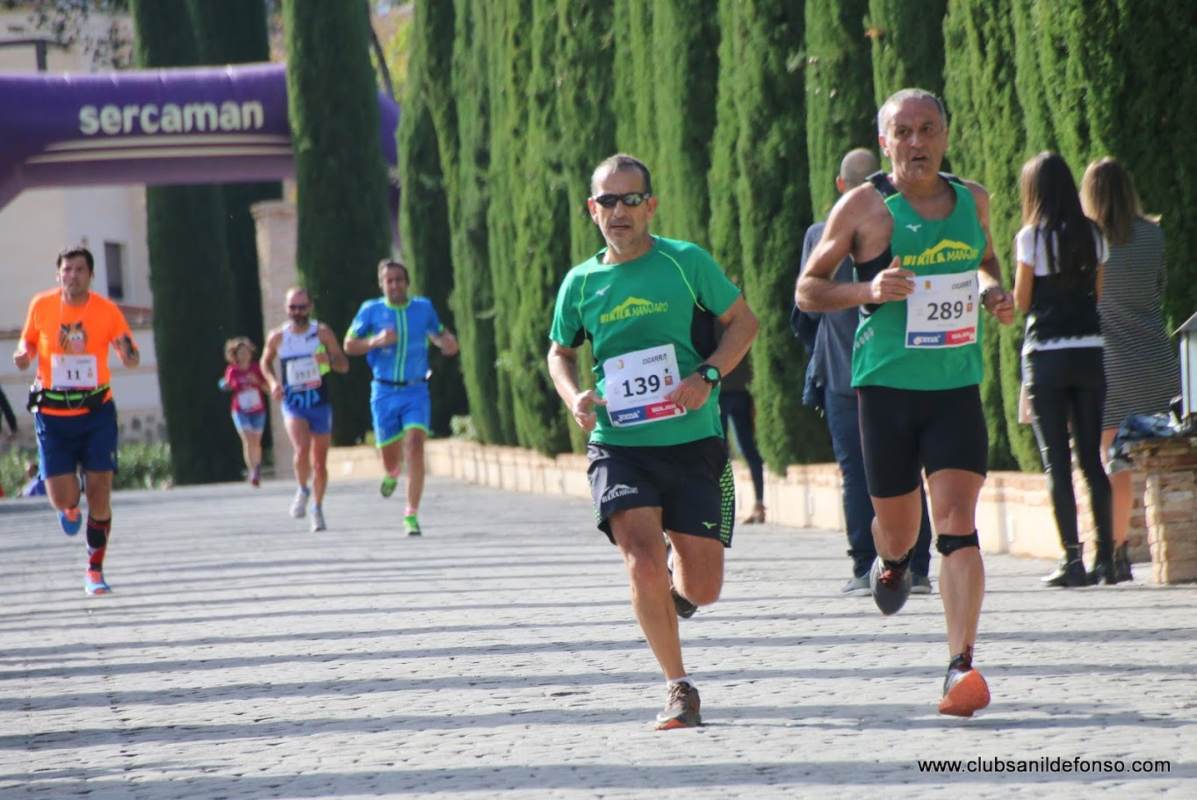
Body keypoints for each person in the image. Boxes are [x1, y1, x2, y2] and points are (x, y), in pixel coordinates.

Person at [796, 89, 1015, 717]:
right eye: (903, 132)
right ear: (885, 141)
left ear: (945, 134)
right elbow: (808, 290)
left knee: (956, 523)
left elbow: (986, 260)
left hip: (953, 385)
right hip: (886, 387)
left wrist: (993, 289)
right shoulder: (864, 207)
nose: (916, 142)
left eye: (928, 129)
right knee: (900, 529)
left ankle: (960, 667)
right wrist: (868, 287)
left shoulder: (973, 199)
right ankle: (890, 563)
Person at [547, 154, 758, 730]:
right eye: (607, 201)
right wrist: (573, 396)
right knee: (641, 561)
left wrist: (707, 376)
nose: (619, 211)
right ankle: (678, 687)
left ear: (650, 206)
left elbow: (744, 322)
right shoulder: (581, 283)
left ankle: (678, 595)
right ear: (592, 210)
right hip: (620, 444)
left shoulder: (686, 263)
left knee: (705, 588)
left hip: (692, 442)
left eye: (630, 200)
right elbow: (560, 351)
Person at [796, 147, 935, 597]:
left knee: (857, 473)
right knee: (909, 471)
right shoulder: (901, 226)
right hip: (899, 367)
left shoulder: (821, 233)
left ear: (841, 187)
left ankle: (863, 567)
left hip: (843, 372)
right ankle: (918, 566)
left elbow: (804, 311)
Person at [12, 245, 140, 595]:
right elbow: (29, 341)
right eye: (66, 270)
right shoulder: (41, 305)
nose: (72, 275)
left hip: (96, 411)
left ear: (91, 275)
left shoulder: (105, 310)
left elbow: (127, 351)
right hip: (53, 416)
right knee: (64, 499)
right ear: (58, 274)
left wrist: (129, 352)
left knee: (100, 493)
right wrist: (24, 355)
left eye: (79, 270)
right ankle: (68, 507)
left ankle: (94, 569)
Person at [1012, 152, 1114, 587]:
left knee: (1058, 461)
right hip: (1089, 351)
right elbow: (1098, 292)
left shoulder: (1030, 238)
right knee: (1093, 460)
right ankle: (1107, 559)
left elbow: (1021, 301)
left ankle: (1072, 559)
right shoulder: (1093, 234)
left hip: (1047, 356)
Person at [1081, 157, 1180, 584]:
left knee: (1112, 461)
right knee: (1167, 456)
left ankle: (1115, 551)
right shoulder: (1153, 234)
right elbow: (1158, 290)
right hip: (1157, 359)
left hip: (1109, 362)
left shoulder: (1088, 240)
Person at [343, 259, 459, 536]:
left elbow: (439, 334)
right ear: (381, 284)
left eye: (399, 279)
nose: (394, 285)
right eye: (389, 280)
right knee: (390, 458)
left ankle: (411, 513)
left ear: (407, 282)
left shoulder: (423, 308)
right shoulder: (370, 311)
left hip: (415, 390)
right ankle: (392, 472)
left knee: (416, 444)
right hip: (383, 391)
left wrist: (448, 343)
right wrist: (375, 341)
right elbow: (349, 344)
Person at [260, 287, 349, 532]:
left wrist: (328, 361)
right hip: (293, 403)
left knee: (319, 464)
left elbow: (343, 365)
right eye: (292, 307)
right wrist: (273, 382)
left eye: (301, 307)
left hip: (319, 403)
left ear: (310, 307)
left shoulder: (322, 333)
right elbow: (264, 362)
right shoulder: (278, 336)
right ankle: (302, 489)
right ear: (286, 309)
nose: (297, 312)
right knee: (301, 448)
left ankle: (317, 508)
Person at [715, 325, 765, 524]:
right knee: (749, 449)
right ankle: (759, 504)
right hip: (741, 391)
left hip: (720, 392)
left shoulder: (707, 319)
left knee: (720, 452)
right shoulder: (738, 323)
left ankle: (724, 508)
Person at [219, 337, 269, 487]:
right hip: (240, 410)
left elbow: (267, 388)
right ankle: (252, 471)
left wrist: (258, 382)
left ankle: (258, 468)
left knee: (256, 441)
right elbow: (226, 385)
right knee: (248, 440)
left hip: (258, 410)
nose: (244, 355)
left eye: (246, 352)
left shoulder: (256, 369)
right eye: (240, 352)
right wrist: (226, 384)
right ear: (235, 355)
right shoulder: (232, 370)